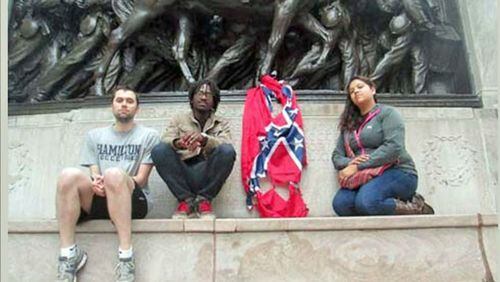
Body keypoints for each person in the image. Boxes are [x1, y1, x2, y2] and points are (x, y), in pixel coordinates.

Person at [55, 86, 160, 282]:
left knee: (113, 174)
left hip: (133, 200)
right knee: (68, 175)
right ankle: (68, 255)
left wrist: (116, 180)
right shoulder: (94, 136)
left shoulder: (149, 136)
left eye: (129, 101)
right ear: (112, 105)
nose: (124, 104)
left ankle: (126, 257)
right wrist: (96, 183)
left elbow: (141, 179)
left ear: (137, 109)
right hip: (101, 198)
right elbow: (94, 173)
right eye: (119, 100)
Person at [332, 76, 433, 216]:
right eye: (351, 91)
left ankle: (417, 207)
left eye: (360, 87)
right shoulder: (349, 125)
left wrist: (357, 166)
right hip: (362, 176)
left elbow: (394, 147)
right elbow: (337, 155)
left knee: (367, 203)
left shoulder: (387, 113)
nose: (355, 91)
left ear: (373, 89)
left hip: (397, 171)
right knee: (341, 205)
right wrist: (350, 163)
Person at [152, 79, 236, 219]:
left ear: (214, 101)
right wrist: (178, 143)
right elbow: (165, 139)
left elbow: (226, 143)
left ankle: (204, 201)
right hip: (183, 172)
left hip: (208, 173)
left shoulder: (221, 123)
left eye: (208, 94)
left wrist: (204, 140)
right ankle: (186, 201)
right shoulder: (179, 119)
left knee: (227, 151)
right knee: (159, 150)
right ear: (191, 98)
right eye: (200, 93)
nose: (203, 97)